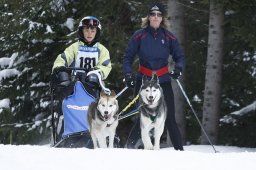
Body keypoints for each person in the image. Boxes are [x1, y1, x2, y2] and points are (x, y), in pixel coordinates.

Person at [122, 2, 185, 150]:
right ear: (148, 17)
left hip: (162, 81)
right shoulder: (139, 35)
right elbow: (127, 57)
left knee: (169, 118)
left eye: (158, 15)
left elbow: (180, 56)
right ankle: (128, 150)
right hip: (143, 81)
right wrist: (128, 74)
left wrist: (178, 68)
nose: (155, 17)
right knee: (141, 117)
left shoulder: (169, 37)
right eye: (152, 14)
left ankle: (180, 152)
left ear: (162, 18)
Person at [51, 16, 112, 142]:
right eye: (87, 30)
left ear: (97, 32)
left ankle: (100, 133)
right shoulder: (74, 47)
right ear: (82, 32)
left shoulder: (102, 50)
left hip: (94, 87)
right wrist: (59, 68)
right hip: (75, 86)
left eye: (93, 31)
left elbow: (106, 66)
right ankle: (62, 135)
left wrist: (96, 72)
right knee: (65, 106)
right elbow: (62, 58)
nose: (89, 34)